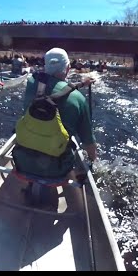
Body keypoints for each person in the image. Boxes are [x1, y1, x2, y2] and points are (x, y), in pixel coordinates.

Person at [12, 47, 96, 179]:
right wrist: (93, 160)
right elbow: (88, 143)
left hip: (22, 159)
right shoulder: (78, 98)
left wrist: (80, 84)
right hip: (57, 168)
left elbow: (54, 86)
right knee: (72, 171)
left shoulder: (31, 83)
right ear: (68, 68)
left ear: (46, 67)